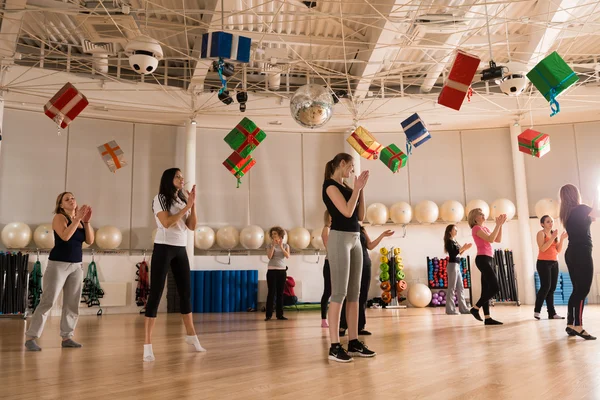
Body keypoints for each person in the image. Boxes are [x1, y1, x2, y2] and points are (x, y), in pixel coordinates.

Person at [143, 168, 205, 362]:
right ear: (169, 179)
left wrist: (192, 205)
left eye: (182, 176)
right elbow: (167, 222)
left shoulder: (181, 199)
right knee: (156, 294)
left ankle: (191, 336)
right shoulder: (160, 198)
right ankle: (147, 345)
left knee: (185, 293)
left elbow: (192, 226)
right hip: (163, 247)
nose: (181, 179)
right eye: (177, 176)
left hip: (180, 249)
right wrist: (186, 207)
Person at [24, 192, 94, 351]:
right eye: (67, 199)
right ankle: (31, 337)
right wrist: (77, 219)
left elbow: (89, 241)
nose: (71, 200)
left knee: (72, 303)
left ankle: (67, 336)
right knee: (48, 301)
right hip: (58, 265)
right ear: (61, 205)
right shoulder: (59, 218)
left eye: (73, 198)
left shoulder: (81, 221)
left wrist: (87, 222)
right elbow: (65, 236)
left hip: (76, 266)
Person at [323, 152, 375, 362]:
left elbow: (360, 216)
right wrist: (355, 190)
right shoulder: (330, 186)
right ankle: (335, 346)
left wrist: (360, 190)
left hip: (355, 239)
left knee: (355, 293)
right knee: (339, 293)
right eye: (351, 167)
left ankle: (353, 342)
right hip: (339, 239)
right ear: (342, 163)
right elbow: (346, 211)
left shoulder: (347, 188)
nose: (352, 171)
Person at [560, 184, 598, 340]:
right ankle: (578, 326)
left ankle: (570, 324)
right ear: (575, 194)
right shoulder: (581, 208)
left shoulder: (567, 213)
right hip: (581, 252)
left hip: (571, 253)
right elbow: (597, 213)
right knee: (582, 290)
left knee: (577, 289)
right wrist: (596, 193)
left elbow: (593, 217)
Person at [340, 226, 394, 336]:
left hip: (365, 264)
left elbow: (369, 245)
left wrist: (382, 235)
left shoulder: (361, 229)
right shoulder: (343, 227)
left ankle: (360, 326)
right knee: (349, 296)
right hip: (351, 264)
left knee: (363, 296)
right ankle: (342, 326)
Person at [467, 208, 506, 325]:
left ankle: (487, 318)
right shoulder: (476, 228)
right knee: (495, 287)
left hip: (489, 259)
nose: (483, 216)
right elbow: (490, 239)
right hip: (482, 259)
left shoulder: (485, 228)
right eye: (480, 214)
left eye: (483, 214)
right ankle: (475, 308)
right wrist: (497, 225)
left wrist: (500, 225)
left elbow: (497, 239)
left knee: (485, 290)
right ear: (474, 218)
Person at [534, 215, 567, 320]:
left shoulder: (554, 234)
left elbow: (558, 250)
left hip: (554, 262)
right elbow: (542, 248)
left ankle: (552, 313)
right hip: (543, 263)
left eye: (551, 221)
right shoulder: (541, 233)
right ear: (542, 224)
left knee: (552, 288)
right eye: (548, 221)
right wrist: (552, 238)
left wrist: (561, 239)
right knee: (545, 287)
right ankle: (537, 310)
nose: (550, 223)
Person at [443, 224, 472, 315]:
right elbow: (453, 253)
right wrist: (462, 248)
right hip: (452, 265)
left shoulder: (455, 241)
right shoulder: (449, 242)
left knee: (460, 287)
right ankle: (450, 310)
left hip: (457, 265)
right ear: (449, 231)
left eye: (456, 230)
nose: (456, 231)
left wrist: (465, 248)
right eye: (454, 230)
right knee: (452, 288)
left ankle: (463, 309)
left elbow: (459, 253)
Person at [265, 226, 290, 321]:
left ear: (280, 235)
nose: (273, 235)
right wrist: (273, 246)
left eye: (275, 233)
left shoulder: (286, 245)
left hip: (282, 270)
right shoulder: (269, 245)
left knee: (280, 293)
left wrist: (280, 247)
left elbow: (287, 256)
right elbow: (269, 256)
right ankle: (268, 315)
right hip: (271, 270)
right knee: (271, 292)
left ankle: (280, 315)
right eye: (272, 234)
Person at [320, 211, 332, 328]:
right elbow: (329, 246)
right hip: (330, 263)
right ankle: (324, 319)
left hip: (337, 263)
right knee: (328, 291)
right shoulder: (326, 229)